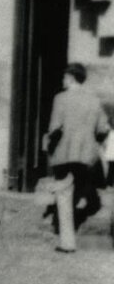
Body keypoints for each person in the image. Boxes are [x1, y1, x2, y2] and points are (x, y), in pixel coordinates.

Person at [45, 63, 109, 253]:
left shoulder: (61, 99)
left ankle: (67, 242)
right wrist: (92, 142)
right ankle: (75, 224)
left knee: (64, 195)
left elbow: (54, 127)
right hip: (86, 156)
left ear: (71, 78)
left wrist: (50, 145)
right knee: (78, 191)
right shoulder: (94, 101)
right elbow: (103, 129)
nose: (63, 81)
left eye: (65, 78)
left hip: (65, 154)